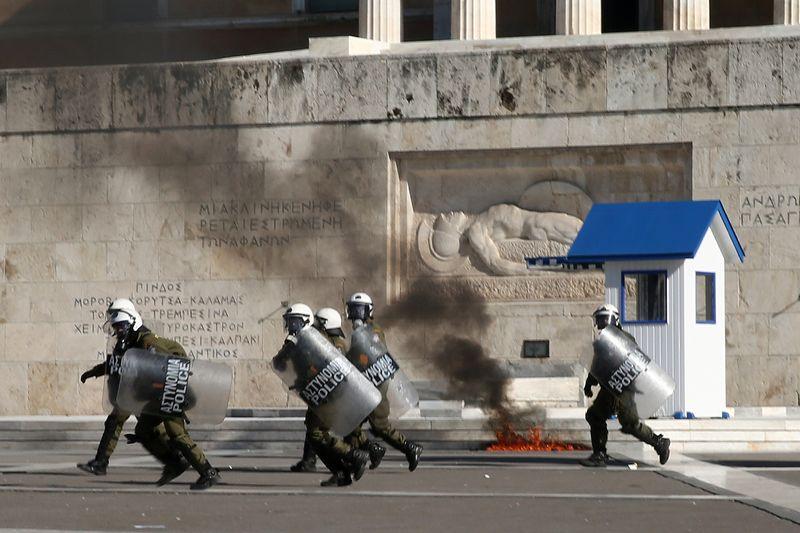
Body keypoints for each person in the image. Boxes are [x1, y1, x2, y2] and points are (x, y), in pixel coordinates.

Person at [275, 304, 369, 487]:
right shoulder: (303, 341)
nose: (292, 325)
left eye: (295, 321)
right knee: (314, 435)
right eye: (290, 321)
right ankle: (341, 472)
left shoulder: (316, 342)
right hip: (319, 394)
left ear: (307, 321)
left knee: (317, 434)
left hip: (326, 395)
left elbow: (286, 364)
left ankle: (352, 455)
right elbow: (282, 366)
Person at [77, 299, 168, 476]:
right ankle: (100, 462)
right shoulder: (124, 339)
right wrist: (94, 372)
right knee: (119, 424)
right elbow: (114, 362)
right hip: (129, 392)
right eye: (116, 327)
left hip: (141, 391)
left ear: (130, 321)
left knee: (151, 428)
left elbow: (155, 364)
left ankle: (182, 457)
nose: (117, 330)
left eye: (119, 326)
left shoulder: (143, 339)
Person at [581, 304, 671, 467]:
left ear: (614, 319)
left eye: (604, 319)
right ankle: (600, 454)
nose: (601, 324)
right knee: (595, 416)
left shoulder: (624, 339)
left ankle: (659, 442)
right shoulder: (602, 342)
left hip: (622, 388)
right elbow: (597, 366)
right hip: (610, 388)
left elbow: (631, 362)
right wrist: (589, 384)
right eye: (599, 320)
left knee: (629, 423)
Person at [344, 292, 423, 472]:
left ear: (369, 311)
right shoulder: (361, 331)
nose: (356, 314)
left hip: (375, 384)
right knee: (350, 423)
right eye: (353, 310)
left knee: (380, 426)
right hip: (364, 385)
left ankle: (410, 448)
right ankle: (364, 455)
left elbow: (370, 355)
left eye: (360, 310)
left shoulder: (373, 331)